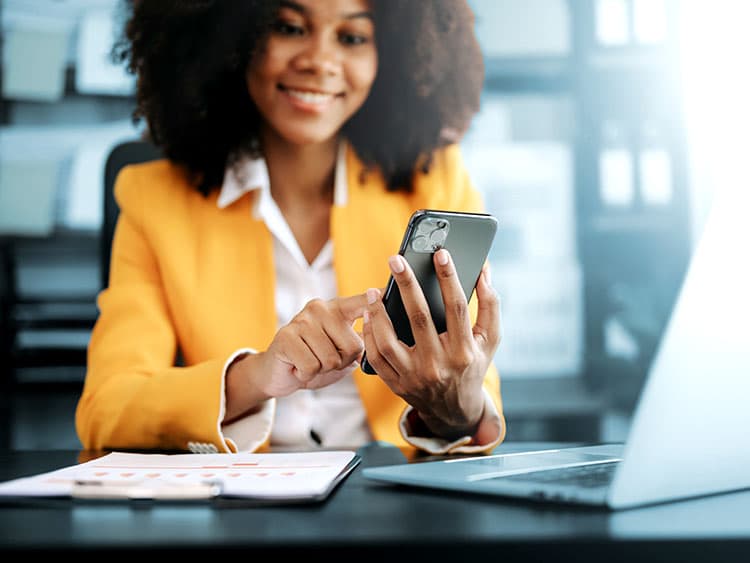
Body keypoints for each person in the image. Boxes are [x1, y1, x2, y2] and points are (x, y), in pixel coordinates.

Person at [76, 0, 506, 455]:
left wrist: (456, 405)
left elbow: (474, 405)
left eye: (352, 37)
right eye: (289, 28)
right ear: (230, 38)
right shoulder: (153, 198)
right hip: (239, 509)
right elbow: (107, 408)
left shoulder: (435, 180)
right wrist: (257, 374)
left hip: (391, 499)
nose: (319, 61)